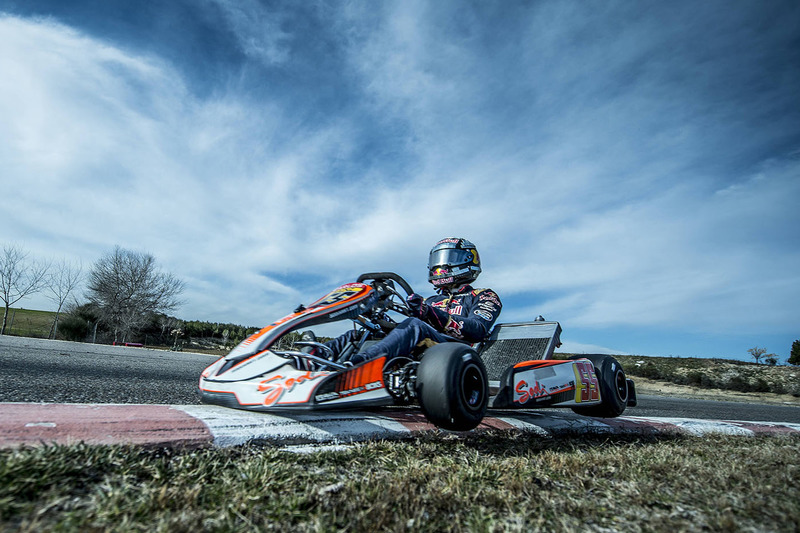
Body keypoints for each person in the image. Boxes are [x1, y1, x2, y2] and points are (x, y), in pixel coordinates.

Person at [307, 237, 502, 367]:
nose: (441, 264)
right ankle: (314, 359)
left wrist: (430, 314)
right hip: (424, 350)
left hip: (457, 353)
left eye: (449, 258)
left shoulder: (483, 295)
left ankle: (360, 365)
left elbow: (477, 329)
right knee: (363, 332)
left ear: (467, 260)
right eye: (439, 259)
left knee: (414, 325)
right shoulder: (431, 300)